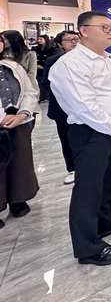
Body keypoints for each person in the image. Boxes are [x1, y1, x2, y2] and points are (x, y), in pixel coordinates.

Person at [50, 11, 111, 266]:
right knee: (88, 189)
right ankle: (88, 248)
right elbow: (83, 106)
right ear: (84, 30)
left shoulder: (109, 61)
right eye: (105, 27)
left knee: (110, 179)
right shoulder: (70, 64)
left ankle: (108, 221)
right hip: (92, 132)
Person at [0, 38, 39, 230]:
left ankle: (18, 199)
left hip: (18, 123)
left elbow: (29, 92)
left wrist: (22, 113)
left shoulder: (12, 65)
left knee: (20, 163)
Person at [42, 30, 80, 185]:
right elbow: (47, 83)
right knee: (67, 139)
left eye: (76, 39)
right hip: (63, 109)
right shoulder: (54, 61)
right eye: (68, 40)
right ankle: (72, 169)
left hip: (88, 108)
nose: (73, 42)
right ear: (59, 44)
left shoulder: (89, 59)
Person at [34, 34, 61, 102]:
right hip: (38, 68)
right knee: (39, 83)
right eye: (38, 39)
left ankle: (48, 96)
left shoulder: (52, 49)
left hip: (46, 67)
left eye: (41, 39)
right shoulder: (35, 49)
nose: (39, 40)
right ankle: (42, 97)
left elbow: (50, 59)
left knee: (47, 81)